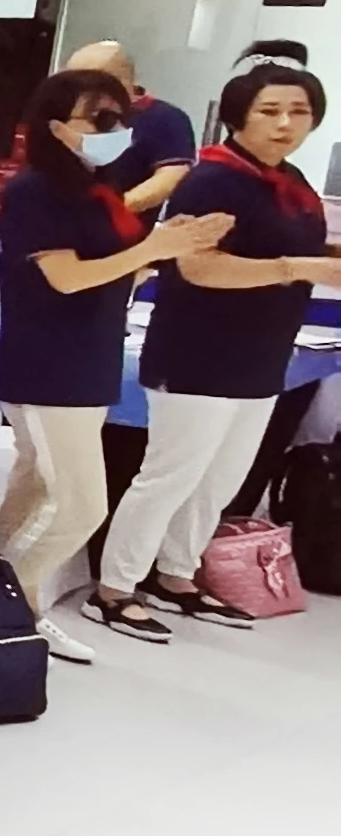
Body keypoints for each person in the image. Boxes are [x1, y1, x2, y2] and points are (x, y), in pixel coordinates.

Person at [0, 69, 235, 659]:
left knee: (36, 488)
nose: (114, 130)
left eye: (120, 119)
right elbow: (66, 277)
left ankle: (14, 607)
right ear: (56, 126)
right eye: (99, 119)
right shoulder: (35, 190)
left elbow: (117, 267)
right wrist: (153, 247)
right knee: (79, 506)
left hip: (90, 354)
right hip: (48, 363)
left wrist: (171, 244)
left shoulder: (96, 188)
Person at [94, 61, 341, 638]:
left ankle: (177, 574)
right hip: (199, 353)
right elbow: (198, 267)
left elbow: (303, 245)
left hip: (262, 354)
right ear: (237, 116)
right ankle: (114, 587)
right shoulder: (212, 179)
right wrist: (299, 268)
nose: (285, 124)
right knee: (169, 475)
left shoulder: (291, 181)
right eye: (270, 111)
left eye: (299, 112)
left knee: (219, 480)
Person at [64, 37, 196, 213]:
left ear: (122, 81)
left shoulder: (164, 118)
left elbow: (170, 177)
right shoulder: (66, 112)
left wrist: (109, 211)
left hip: (120, 224)